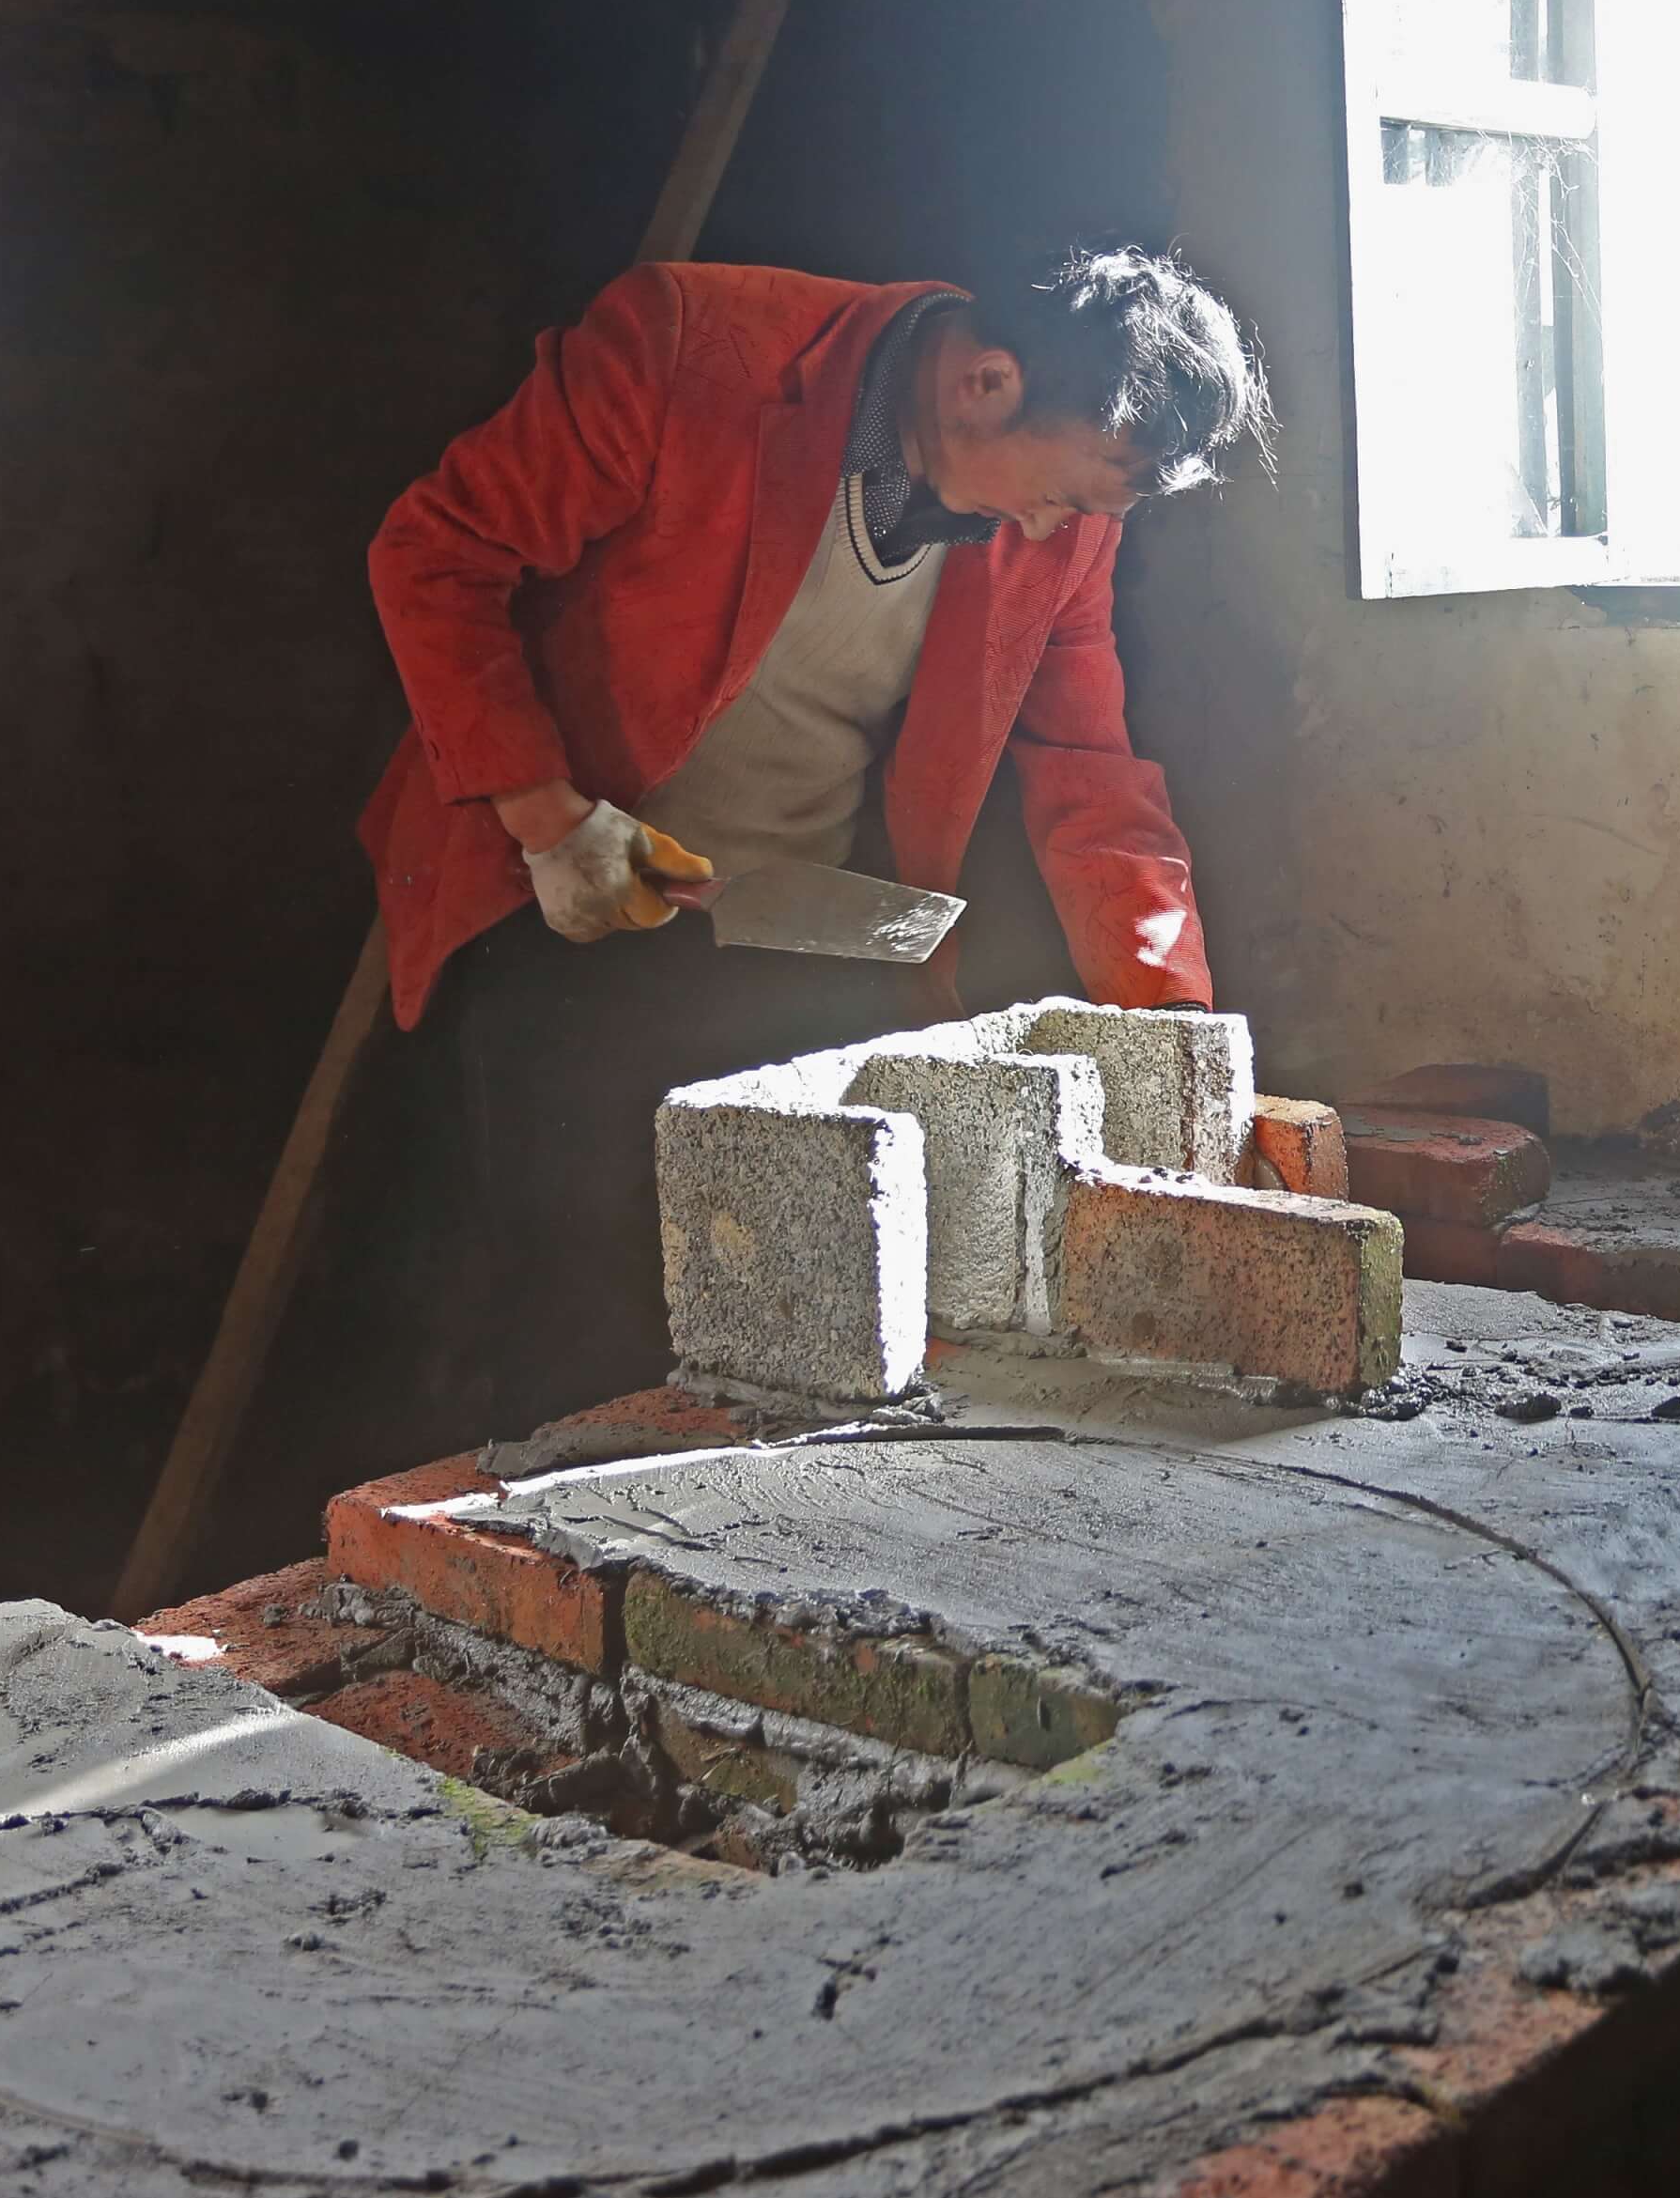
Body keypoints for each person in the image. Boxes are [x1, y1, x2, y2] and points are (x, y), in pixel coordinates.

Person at [360, 247, 1268, 1428]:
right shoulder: (689, 349)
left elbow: (1089, 767)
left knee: (807, 1325)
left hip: (794, 932)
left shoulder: (1062, 521)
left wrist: (1172, 1026)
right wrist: (547, 815)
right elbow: (434, 555)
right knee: (578, 1329)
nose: (1061, 529)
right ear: (985, 384)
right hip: (564, 903)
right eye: (1069, 492)